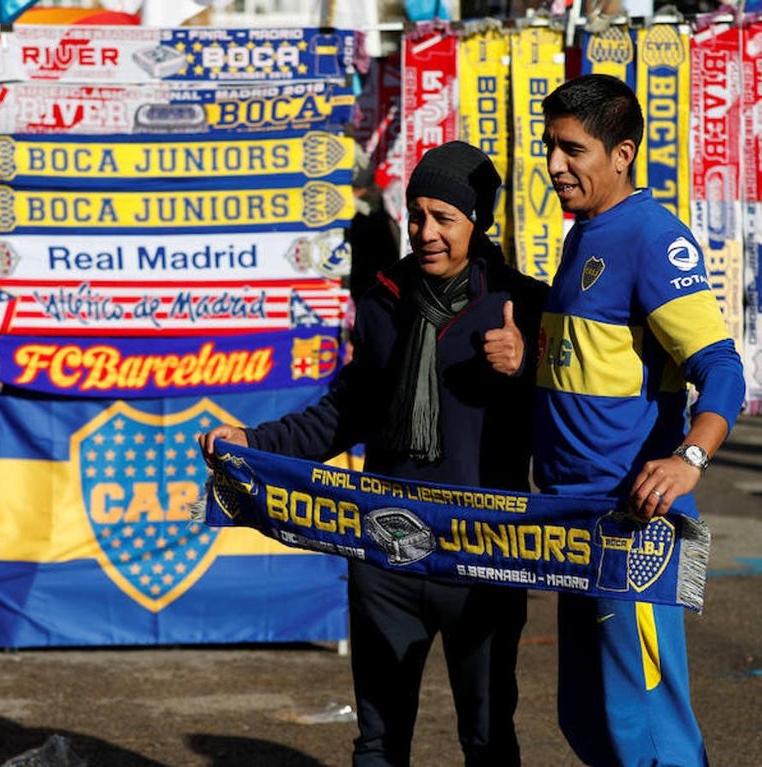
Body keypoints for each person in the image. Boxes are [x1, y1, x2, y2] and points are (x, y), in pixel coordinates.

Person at [199, 141, 549, 767]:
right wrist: (255, 442)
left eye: (446, 217)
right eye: (418, 215)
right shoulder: (382, 301)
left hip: (485, 552)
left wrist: (529, 370)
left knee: (488, 736)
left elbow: (571, 421)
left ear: (479, 222)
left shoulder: (522, 302)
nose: (427, 232)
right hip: (386, 550)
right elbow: (347, 413)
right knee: (379, 742)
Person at [536, 74, 745, 766]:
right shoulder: (585, 233)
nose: (556, 165)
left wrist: (688, 458)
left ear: (621, 153)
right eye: (550, 147)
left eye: (573, 150)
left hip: (631, 526)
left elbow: (722, 369)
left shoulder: (654, 237)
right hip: (572, 518)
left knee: (647, 727)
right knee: (587, 716)